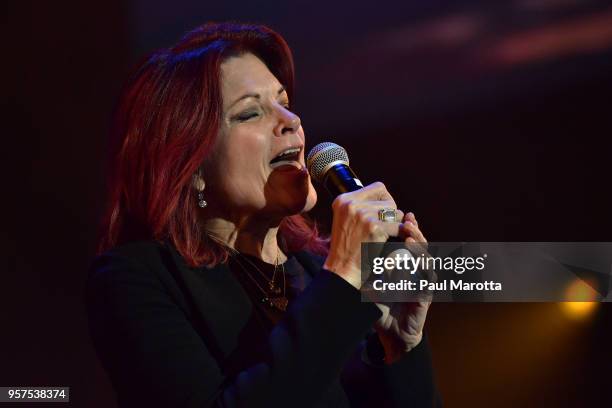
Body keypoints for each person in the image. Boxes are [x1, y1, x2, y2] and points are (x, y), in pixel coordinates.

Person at [87, 22, 441, 407]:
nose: (291, 121)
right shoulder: (135, 280)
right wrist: (342, 279)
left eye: (284, 103)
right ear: (192, 168)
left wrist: (400, 350)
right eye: (250, 113)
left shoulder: (318, 272)